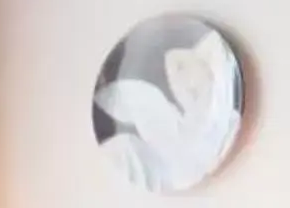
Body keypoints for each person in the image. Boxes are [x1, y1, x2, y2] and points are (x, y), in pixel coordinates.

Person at [93, 27, 242, 193]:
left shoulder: (223, 120)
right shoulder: (128, 146)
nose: (178, 79)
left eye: (179, 67)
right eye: (174, 70)